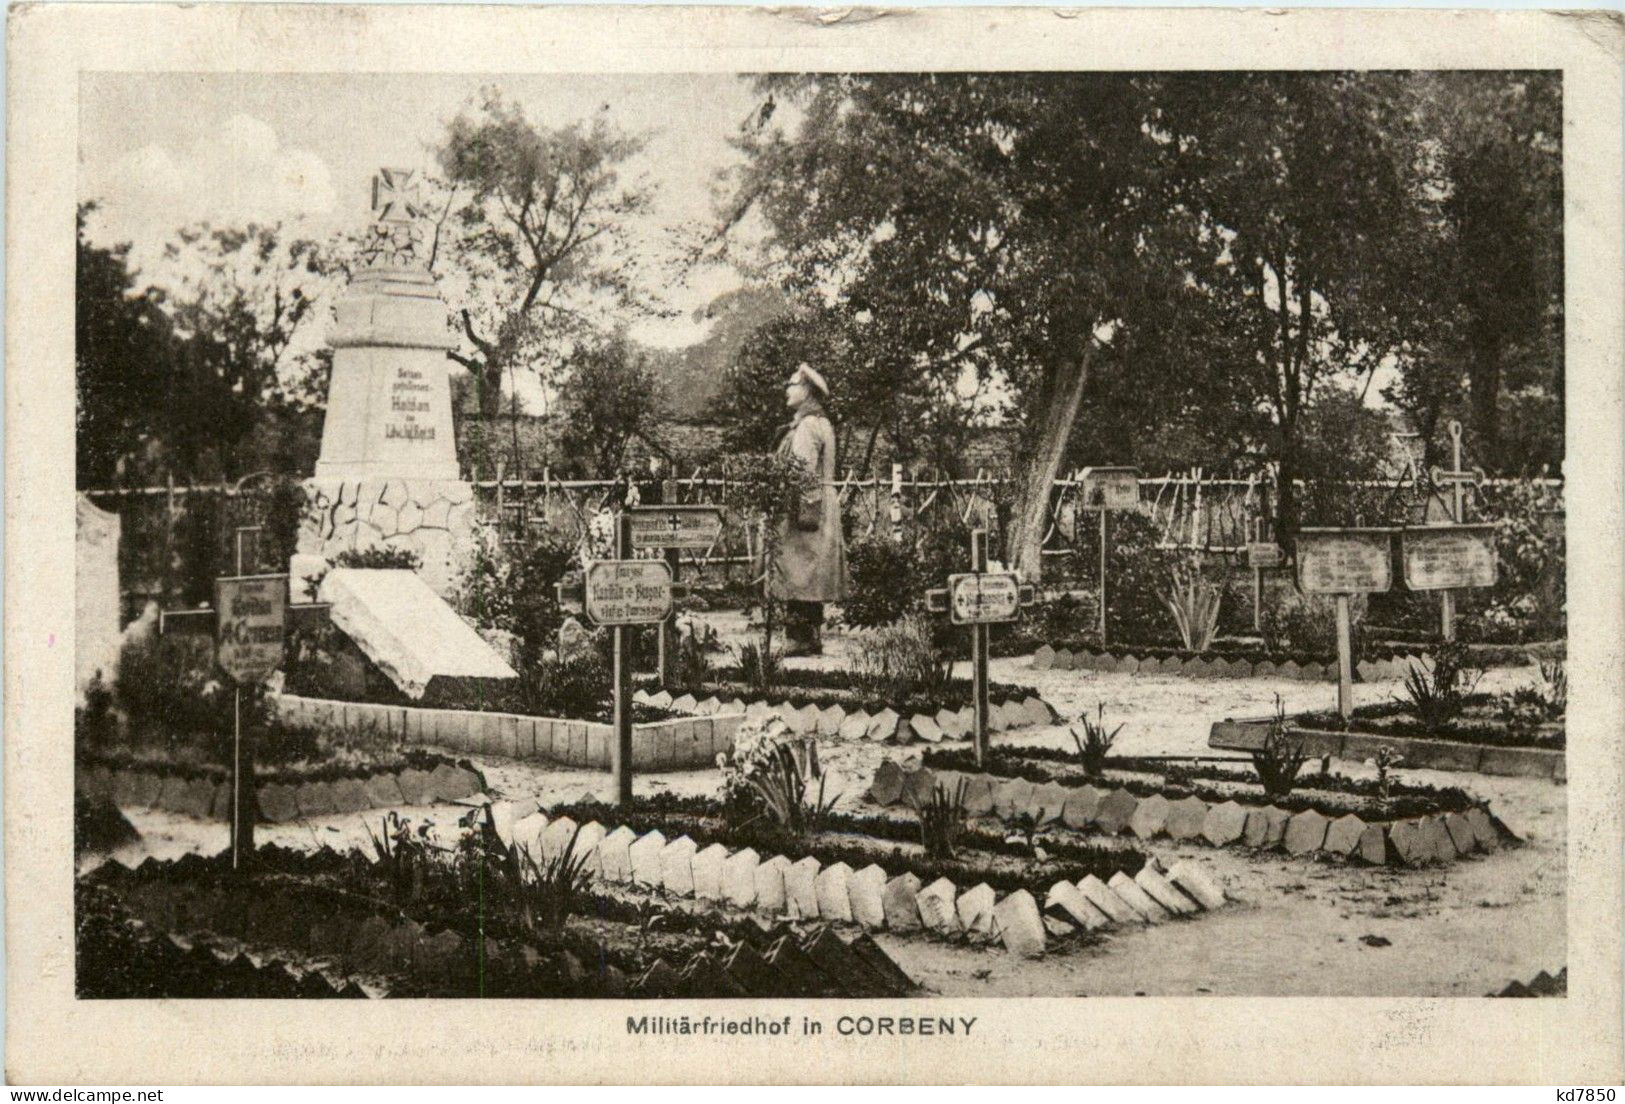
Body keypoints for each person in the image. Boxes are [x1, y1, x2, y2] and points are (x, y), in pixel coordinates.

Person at [771, 363, 848, 655]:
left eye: (792, 384)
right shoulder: (823, 423)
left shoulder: (806, 426)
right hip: (821, 503)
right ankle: (811, 634)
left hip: (806, 505)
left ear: (806, 391)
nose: (787, 390)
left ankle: (799, 637)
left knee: (798, 570)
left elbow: (800, 473)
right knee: (810, 571)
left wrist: (786, 506)